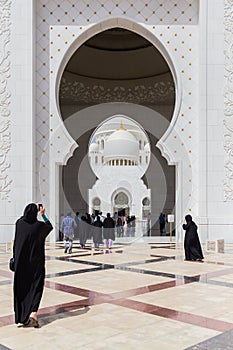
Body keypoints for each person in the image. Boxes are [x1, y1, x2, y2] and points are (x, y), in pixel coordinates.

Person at [13, 203, 53, 327]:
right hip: (36, 264)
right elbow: (49, 226)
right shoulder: (39, 227)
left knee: (22, 288)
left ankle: (22, 316)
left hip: (21, 264)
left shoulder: (19, 224)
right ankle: (33, 313)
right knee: (36, 286)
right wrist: (43, 214)